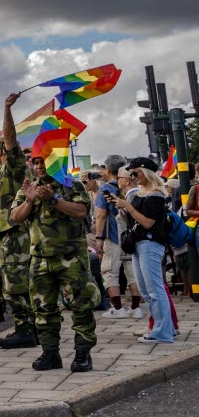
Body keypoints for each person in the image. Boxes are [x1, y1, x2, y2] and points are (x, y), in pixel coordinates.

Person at [10, 157, 102, 372]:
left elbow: (80, 212)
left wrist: (53, 199)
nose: (40, 167)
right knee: (43, 309)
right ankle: (50, 353)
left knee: (81, 306)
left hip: (70, 258)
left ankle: (82, 353)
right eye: (36, 163)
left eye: (45, 163)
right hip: (40, 260)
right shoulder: (28, 188)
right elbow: (15, 217)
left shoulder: (72, 185)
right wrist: (29, 200)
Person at [0, 97, 37, 349]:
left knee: (17, 286)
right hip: (6, 236)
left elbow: (10, 140)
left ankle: (26, 330)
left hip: (17, 236)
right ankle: (29, 328)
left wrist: (6, 108)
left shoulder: (14, 169)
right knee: (12, 286)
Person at [114, 159, 176, 343]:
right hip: (140, 244)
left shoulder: (156, 194)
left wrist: (128, 207)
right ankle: (164, 328)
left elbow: (148, 222)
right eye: (130, 174)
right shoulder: (142, 193)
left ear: (147, 172)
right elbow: (136, 221)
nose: (132, 178)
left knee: (155, 289)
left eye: (135, 173)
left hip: (150, 243)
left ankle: (162, 332)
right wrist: (123, 209)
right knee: (146, 290)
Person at [95, 155, 143, 318]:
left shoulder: (105, 189)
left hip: (113, 235)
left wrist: (99, 237)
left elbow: (101, 215)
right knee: (132, 271)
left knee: (110, 271)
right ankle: (136, 307)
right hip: (131, 236)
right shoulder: (134, 187)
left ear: (108, 169)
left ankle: (117, 308)